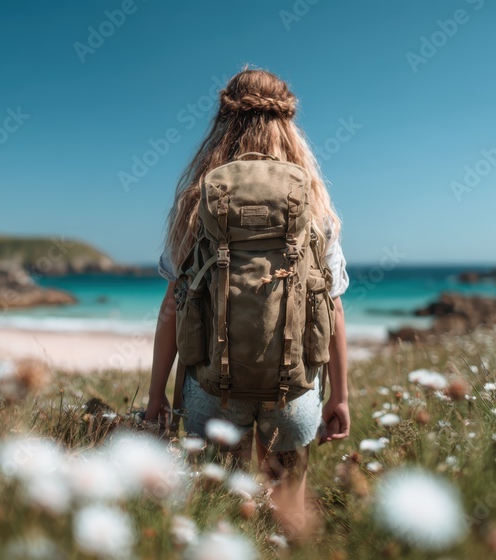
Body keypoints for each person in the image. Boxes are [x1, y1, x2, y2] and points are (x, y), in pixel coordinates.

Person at [144, 68, 350, 489]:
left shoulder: (197, 201)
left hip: (212, 388)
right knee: (286, 505)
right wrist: (341, 396)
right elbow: (332, 303)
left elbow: (174, 303)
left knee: (218, 509)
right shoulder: (313, 202)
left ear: (223, 123)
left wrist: (155, 396)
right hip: (293, 389)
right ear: (289, 125)